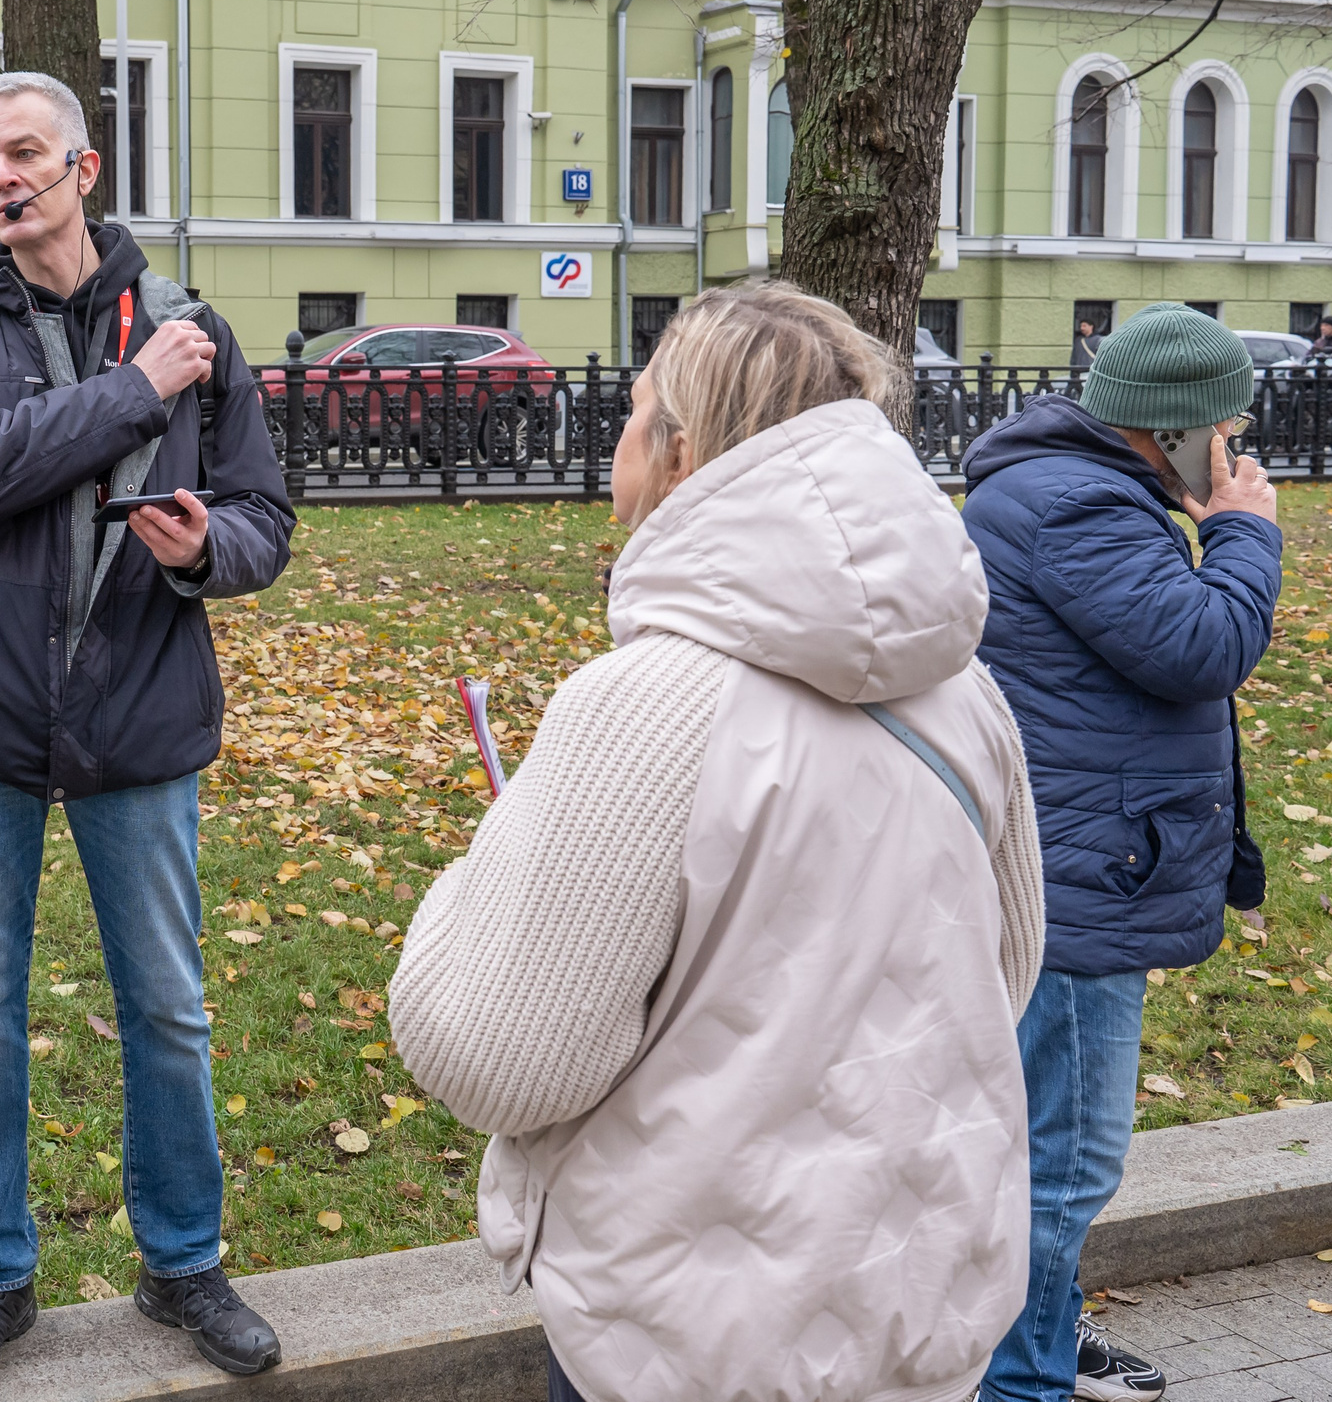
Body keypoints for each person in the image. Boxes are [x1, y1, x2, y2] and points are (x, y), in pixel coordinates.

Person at [389, 283, 1047, 1402]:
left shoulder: (644, 704)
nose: (614, 446)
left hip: (683, 1329)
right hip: (913, 1288)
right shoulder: (961, 684)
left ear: (679, 450)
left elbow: (495, 1057)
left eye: (631, 412)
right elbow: (1005, 965)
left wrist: (474, 879)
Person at [0, 70, 295, 1397]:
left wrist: (201, 553)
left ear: (86, 166)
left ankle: (183, 1262)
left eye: (24, 154)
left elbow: (264, 521)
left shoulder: (196, 330)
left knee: (170, 1011)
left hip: (139, 709)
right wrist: (133, 392)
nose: (1, 178)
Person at [962, 302, 1279, 1402]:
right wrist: (1245, 528)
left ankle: (1037, 1328)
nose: (1235, 453)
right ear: (1178, 429)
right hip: (1081, 880)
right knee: (1067, 1157)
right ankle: (1020, 1380)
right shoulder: (1079, 505)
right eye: (1227, 432)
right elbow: (1202, 645)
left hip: (1084, 856)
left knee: (1033, 1145)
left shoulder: (1072, 488)